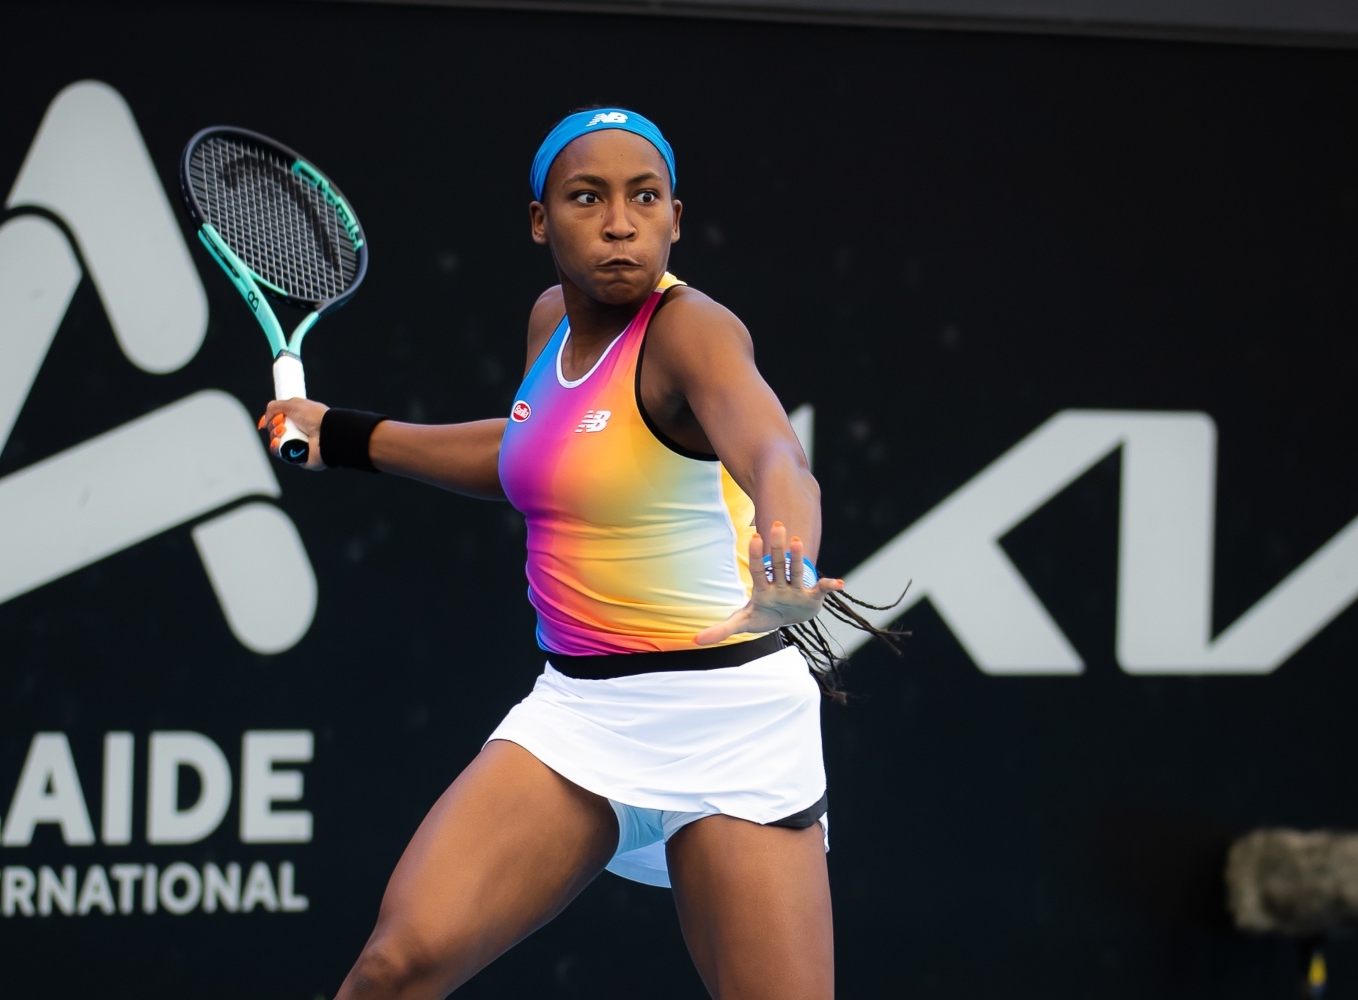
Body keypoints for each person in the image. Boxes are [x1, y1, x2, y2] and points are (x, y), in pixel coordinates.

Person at [259, 107, 895, 1000]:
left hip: (730, 722)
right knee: (394, 968)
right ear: (539, 220)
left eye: (645, 198)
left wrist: (785, 542)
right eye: (586, 198)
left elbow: (776, 457)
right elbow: (532, 454)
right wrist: (348, 436)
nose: (620, 222)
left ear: (677, 215)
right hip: (579, 717)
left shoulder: (694, 331)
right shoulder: (550, 323)